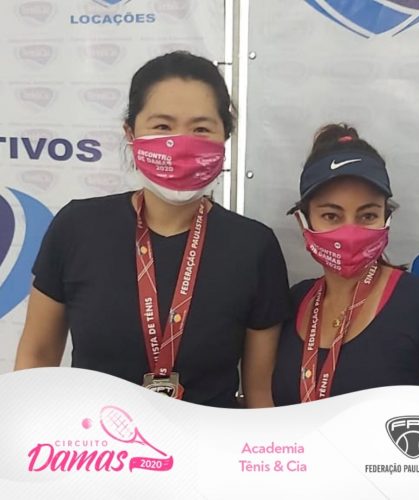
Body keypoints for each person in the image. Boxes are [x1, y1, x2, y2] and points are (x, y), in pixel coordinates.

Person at [15, 51, 290, 408]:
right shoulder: (77, 227)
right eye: (162, 126)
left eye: (201, 129)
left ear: (225, 136)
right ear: (130, 133)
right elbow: (36, 358)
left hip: (206, 441)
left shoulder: (254, 246)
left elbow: (260, 394)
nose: (181, 142)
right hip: (91, 440)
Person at [272, 123, 419, 405]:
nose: (350, 231)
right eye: (331, 216)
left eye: (367, 216)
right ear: (303, 222)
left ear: (386, 219)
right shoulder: (294, 302)